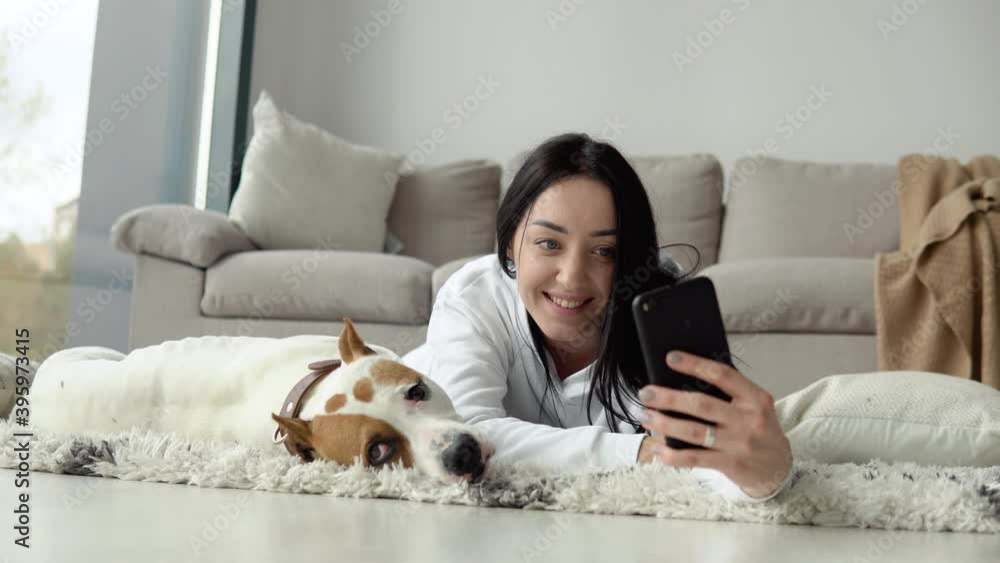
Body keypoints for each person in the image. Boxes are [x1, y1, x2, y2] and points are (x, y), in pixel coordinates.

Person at [402, 133, 793, 502]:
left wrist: (766, 476)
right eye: (549, 243)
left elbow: (705, 457)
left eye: (604, 251)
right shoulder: (475, 296)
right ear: (509, 244)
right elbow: (470, 438)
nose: (571, 277)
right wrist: (638, 452)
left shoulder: (656, 302)